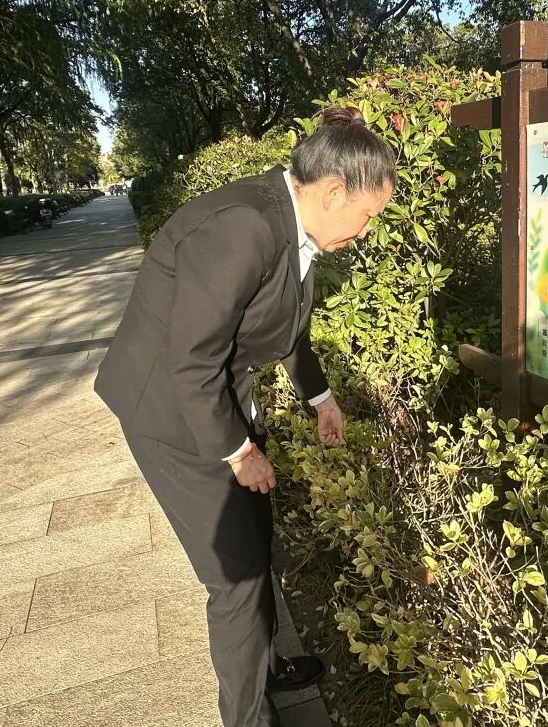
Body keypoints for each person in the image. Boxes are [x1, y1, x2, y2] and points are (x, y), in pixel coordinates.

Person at [94, 107, 396, 726]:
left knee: (257, 542)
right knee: (234, 579)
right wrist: (239, 453)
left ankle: (264, 666)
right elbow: (189, 362)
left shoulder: (291, 223)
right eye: (368, 216)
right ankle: (248, 717)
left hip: (218, 396)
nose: (366, 232)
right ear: (334, 192)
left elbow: (285, 325)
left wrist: (320, 398)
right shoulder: (245, 227)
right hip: (173, 414)